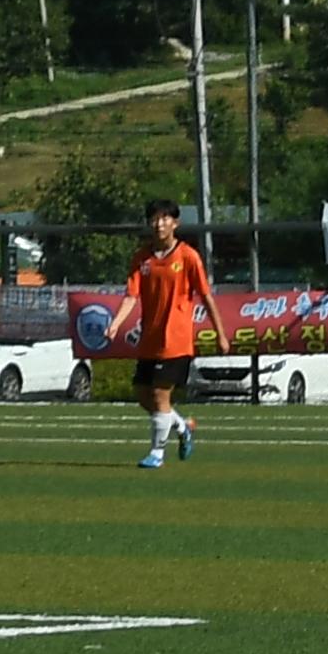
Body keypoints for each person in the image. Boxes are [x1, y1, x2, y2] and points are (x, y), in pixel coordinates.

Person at [103, 198, 229, 468]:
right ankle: (183, 427)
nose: (159, 224)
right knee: (142, 394)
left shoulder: (188, 257)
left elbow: (206, 297)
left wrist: (220, 333)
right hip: (150, 339)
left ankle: (157, 454)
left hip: (176, 339)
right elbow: (130, 296)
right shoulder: (142, 258)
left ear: (175, 223)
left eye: (165, 218)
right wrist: (116, 323)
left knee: (161, 395)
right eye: (154, 218)